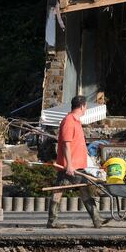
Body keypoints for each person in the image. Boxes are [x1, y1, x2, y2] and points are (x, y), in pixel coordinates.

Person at [47, 95, 105, 229]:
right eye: (85, 107)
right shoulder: (69, 121)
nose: (86, 109)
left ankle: (96, 219)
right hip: (71, 165)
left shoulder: (76, 121)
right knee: (61, 190)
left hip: (76, 164)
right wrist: (69, 165)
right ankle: (53, 221)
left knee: (79, 189)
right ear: (82, 106)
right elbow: (66, 144)